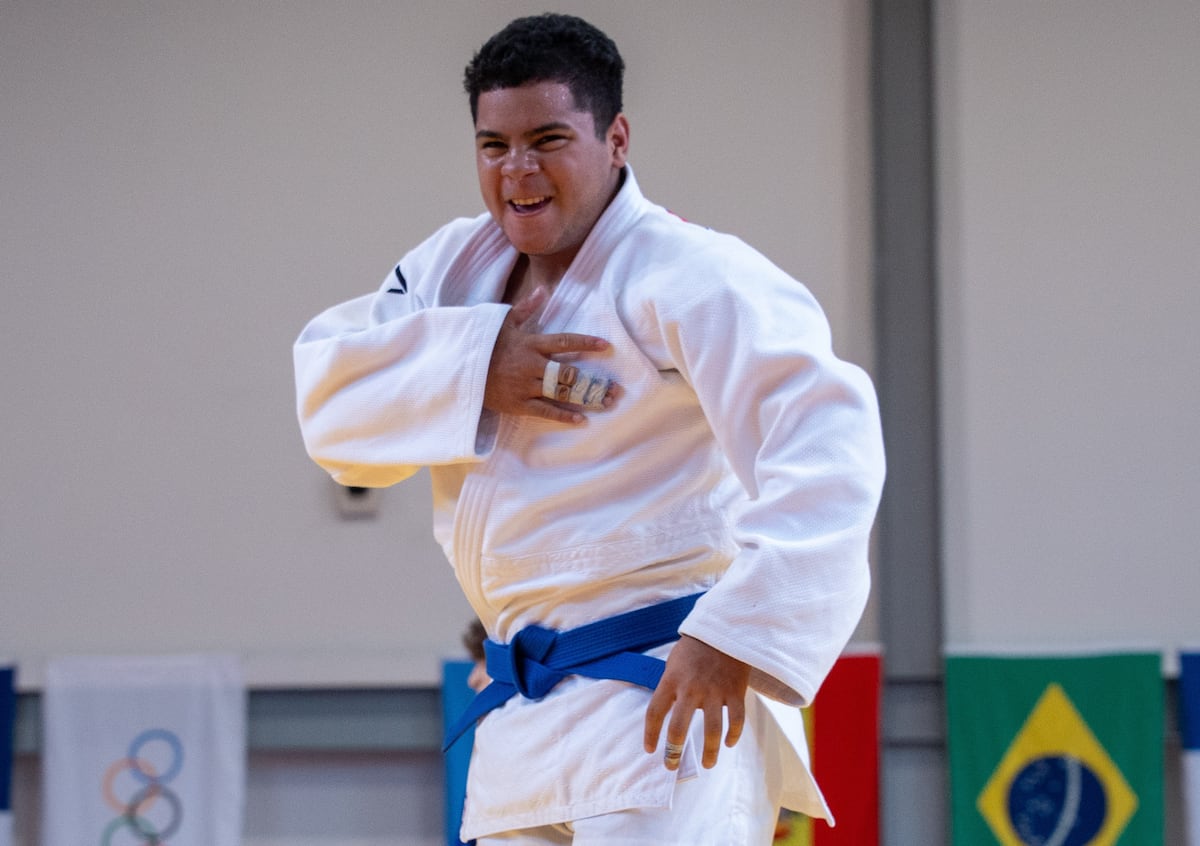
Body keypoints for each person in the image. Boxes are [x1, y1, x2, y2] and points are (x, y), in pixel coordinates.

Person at [294, 13, 884, 845]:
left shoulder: (689, 272)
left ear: (614, 138)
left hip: (662, 690)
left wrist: (736, 634)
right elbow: (331, 404)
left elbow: (828, 445)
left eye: (547, 139)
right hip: (522, 708)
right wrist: (475, 370)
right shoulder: (453, 272)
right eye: (493, 146)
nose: (518, 171)